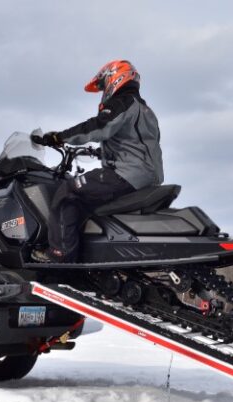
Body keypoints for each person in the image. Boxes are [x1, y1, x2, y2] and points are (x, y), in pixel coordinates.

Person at [31, 59, 164, 263]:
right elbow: (135, 143)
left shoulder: (123, 102)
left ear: (115, 77)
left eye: (103, 85)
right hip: (145, 175)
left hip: (127, 174)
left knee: (68, 191)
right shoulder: (146, 110)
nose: (103, 91)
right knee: (87, 199)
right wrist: (99, 153)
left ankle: (60, 255)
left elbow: (98, 127)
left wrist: (59, 137)